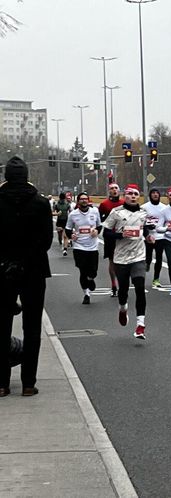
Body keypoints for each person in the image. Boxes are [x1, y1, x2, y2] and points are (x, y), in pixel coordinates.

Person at [0, 156, 53, 397]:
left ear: (6, 176)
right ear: (26, 176)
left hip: (2, 270)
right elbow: (46, 241)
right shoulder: (41, 204)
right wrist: (26, 260)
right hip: (33, 270)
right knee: (32, 328)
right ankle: (28, 383)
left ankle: (2, 383)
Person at [102, 184, 153, 340]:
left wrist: (148, 236)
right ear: (125, 195)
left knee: (139, 287)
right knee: (123, 290)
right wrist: (120, 235)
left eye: (136, 194)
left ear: (139, 196)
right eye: (130, 194)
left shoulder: (144, 212)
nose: (133, 196)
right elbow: (106, 233)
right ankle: (123, 309)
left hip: (138, 256)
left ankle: (140, 325)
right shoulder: (116, 212)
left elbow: (144, 229)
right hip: (121, 257)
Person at [65, 192, 102, 304]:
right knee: (83, 271)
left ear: (88, 200)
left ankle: (91, 279)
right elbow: (68, 229)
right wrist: (71, 235)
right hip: (79, 246)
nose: (84, 201)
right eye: (81, 199)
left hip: (93, 246)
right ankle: (86, 294)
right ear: (78, 201)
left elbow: (99, 225)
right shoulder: (73, 214)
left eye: (86, 199)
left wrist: (97, 231)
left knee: (93, 271)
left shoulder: (95, 211)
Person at [99, 183, 124, 297]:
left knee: (123, 261)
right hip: (110, 236)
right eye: (111, 189)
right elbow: (99, 220)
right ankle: (114, 284)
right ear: (108, 191)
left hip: (122, 235)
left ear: (119, 191)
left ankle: (122, 283)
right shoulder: (104, 204)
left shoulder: (124, 203)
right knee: (112, 260)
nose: (114, 190)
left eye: (116, 188)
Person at [141, 188, 166, 288]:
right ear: (150, 195)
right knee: (148, 257)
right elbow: (141, 222)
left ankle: (156, 279)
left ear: (159, 195)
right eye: (153, 193)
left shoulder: (164, 208)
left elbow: (167, 221)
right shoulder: (144, 207)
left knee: (159, 258)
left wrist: (164, 229)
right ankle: (147, 264)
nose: (155, 195)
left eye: (157, 193)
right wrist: (147, 228)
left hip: (160, 236)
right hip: (148, 236)